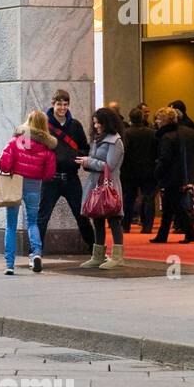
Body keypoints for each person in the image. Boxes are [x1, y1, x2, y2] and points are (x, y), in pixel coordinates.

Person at [0, 111, 58, 275]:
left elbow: (4, 163)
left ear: (28, 123)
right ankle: (36, 254)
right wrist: (38, 176)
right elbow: (49, 173)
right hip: (34, 185)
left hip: (15, 183)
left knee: (11, 224)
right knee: (32, 222)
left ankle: (9, 264)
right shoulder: (47, 147)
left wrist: (11, 170)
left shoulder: (16, 141)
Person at [36, 89, 94, 250]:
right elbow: (36, 147)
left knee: (81, 215)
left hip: (71, 177)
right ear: (53, 104)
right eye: (59, 104)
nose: (62, 107)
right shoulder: (44, 125)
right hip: (50, 178)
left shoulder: (75, 125)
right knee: (43, 216)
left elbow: (84, 147)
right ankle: (35, 250)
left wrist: (76, 157)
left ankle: (94, 248)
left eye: (65, 104)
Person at [77, 107, 127, 270]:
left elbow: (110, 165)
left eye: (98, 123)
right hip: (96, 184)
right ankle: (97, 256)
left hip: (109, 185)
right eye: (95, 123)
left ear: (107, 123)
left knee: (114, 220)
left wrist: (89, 162)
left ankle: (118, 257)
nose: (96, 126)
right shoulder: (97, 139)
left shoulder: (116, 141)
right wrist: (87, 162)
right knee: (97, 219)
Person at [152, 106, 194, 244]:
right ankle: (163, 235)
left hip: (170, 176)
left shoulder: (166, 137)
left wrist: (157, 172)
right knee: (169, 206)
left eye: (159, 119)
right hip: (183, 173)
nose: (157, 121)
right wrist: (193, 163)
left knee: (176, 206)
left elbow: (165, 159)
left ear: (165, 120)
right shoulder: (187, 133)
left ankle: (190, 233)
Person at [121, 107, 158, 233]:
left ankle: (125, 225)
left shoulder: (126, 133)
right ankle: (147, 226)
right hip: (148, 170)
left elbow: (123, 152)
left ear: (130, 119)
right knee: (148, 198)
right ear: (143, 118)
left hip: (129, 171)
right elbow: (156, 151)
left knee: (128, 199)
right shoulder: (152, 133)